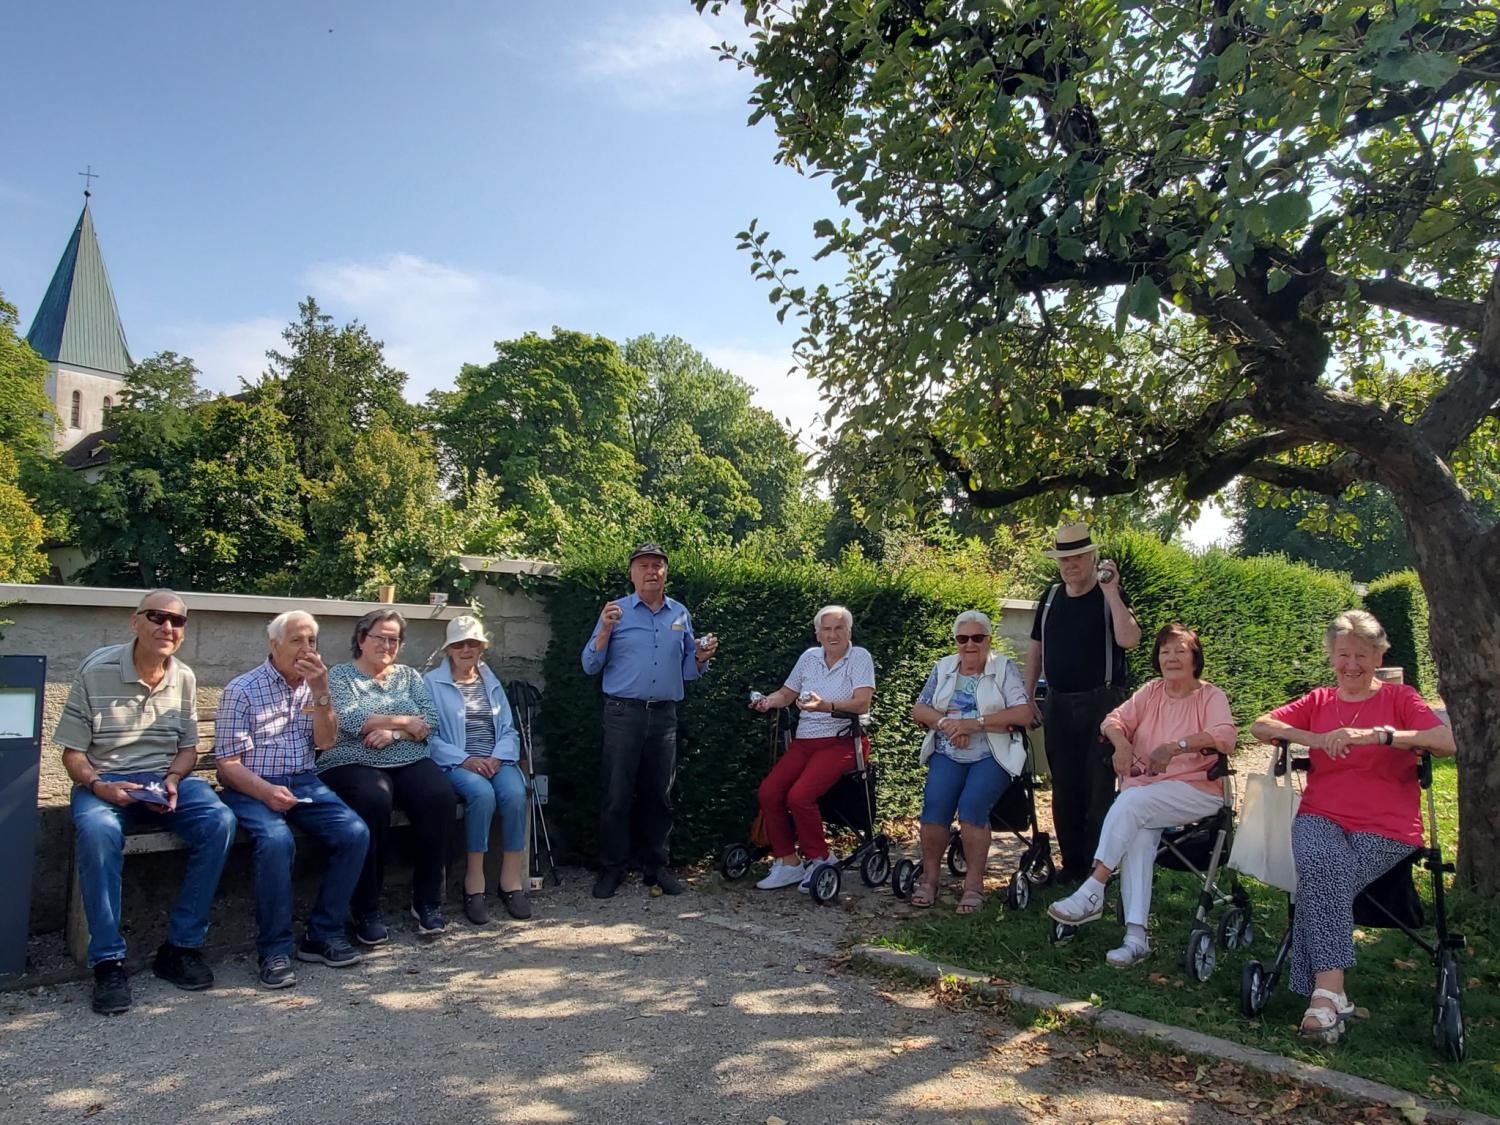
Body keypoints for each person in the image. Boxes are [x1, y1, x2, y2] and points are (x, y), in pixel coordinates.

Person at [1250, 610, 1454, 1043]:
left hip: (1387, 826)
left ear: (1379, 656)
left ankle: (1325, 997)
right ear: (1331, 657)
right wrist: (1316, 738)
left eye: (1363, 654)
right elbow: (1261, 725)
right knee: (1325, 865)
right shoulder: (1320, 702)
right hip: (1320, 815)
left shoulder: (1401, 700)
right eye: (1343, 654)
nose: (1352, 664)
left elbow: (1445, 742)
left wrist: (1385, 736)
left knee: (1323, 877)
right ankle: (1330, 996)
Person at [57, 589, 238, 1016]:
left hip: (163, 779)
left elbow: (189, 749)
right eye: (157, 617)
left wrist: (175, 779)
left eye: (177, 621)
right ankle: (108, 961)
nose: (167, 627)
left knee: (220, 821)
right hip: (106, 781)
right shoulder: (96, 670)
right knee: (99, 830)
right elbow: (72, 754)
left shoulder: (186, 678)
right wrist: (100, 785)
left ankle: (180, 948)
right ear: (134, 621)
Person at [1047, 625, 1237, 965]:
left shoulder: (1211, 696)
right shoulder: (1151, 692)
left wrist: (1176, 747)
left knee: (1131, 802)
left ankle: (1093, 888)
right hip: (1149, 794)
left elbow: (1225, 737)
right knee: (1138, 834)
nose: (1172, 658)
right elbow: (1112, 720)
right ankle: (1136, 938)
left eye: (1180, 650)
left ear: (1195, 658)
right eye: (1165, 651)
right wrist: (1121, 744)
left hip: (1198, 790)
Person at [214, 611, 370, 988]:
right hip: (251, 784)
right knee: (276, 841)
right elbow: (226, 765)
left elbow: (326, 742)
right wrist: (265, 791)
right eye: (297, 641)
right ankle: (274, 950)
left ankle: (322, 934)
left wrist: (321, 693)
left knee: (354, 833)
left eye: (312, 641)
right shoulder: (243, 689)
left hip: (303, 782)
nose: (306, 649)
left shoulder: (315, 686)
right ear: (275, 645)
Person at [581, 543, 718, 899]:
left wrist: (702, 657)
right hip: (622, 713)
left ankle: (656, 867)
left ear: (666, 573)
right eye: (643, 566)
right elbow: (589, 665)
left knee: (660, 795)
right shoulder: (616, 611)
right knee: (616, 795)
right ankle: (612, 869)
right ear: (632, 573)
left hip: (663, 715)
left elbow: (688, 671)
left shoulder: (680, 614)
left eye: (657, 565)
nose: (651, 571)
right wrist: (605, 632)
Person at [318, 609, 456, 942]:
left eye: (394, 639)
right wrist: (406, 721)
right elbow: (351, 719)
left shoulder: (408, 676)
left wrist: (397, 733)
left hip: (406, 755)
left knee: (440, 797)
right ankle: (366, 908)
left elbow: (430, 721)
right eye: (380, 637)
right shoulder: (341, 675)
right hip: (352, 760)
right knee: (373, 799)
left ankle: (427, 902)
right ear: (362, 639)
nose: (387, 644)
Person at [1025, 520, 1141, 886]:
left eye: (1077, 556)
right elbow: (1036, 650)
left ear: (1092, 557)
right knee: (1065, 786)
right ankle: (1072, 865)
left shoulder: (1111, 595)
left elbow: (1130, 639)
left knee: (1100, 786)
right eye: (1064, 558)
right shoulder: (1051, 597)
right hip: (1058, 702)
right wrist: (1027, 695)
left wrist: (1112, 592)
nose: (1070, 564)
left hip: (1103, 703)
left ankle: (1099, 868)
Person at [909, 611, 1033, 913]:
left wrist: (974, 724)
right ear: (956, 642)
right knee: (934, 808)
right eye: (963, 639)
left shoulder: (1002, 668)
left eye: (977, 638)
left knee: (972, 808)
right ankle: (930, 879)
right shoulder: (944, 666)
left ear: (988, 640)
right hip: (949, 750)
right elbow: (920, 709)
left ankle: (974, 885)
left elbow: (1023, 714)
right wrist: (948, 726)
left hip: (992, 752)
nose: (970, 645)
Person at [749, 606, 876, 891]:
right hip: (806, 741)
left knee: (799, 796)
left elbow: (862, 703)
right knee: (769, 792)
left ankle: (821, 857)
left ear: (849, 632)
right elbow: (786, 694)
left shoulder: (859, 657)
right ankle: (788, 862)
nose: (833, 634)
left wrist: (826, 706)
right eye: (826, 629)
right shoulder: (809, 657)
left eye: (839, 628)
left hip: (843, 741)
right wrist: (767, 702)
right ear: (817, 634)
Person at [424, 615, 531, 925]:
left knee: (513, 794)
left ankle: (510, 882)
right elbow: (430, 735)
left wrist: (497, 758)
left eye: (472, 643)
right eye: (459, 644)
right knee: (482, 795)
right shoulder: (432, 683)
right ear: (449, 649)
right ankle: (475, 883)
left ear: (482, 647)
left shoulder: (490, 681)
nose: (466, 649)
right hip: (457, 762)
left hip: (496, 759)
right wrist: (465, 759)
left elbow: (509, 730)